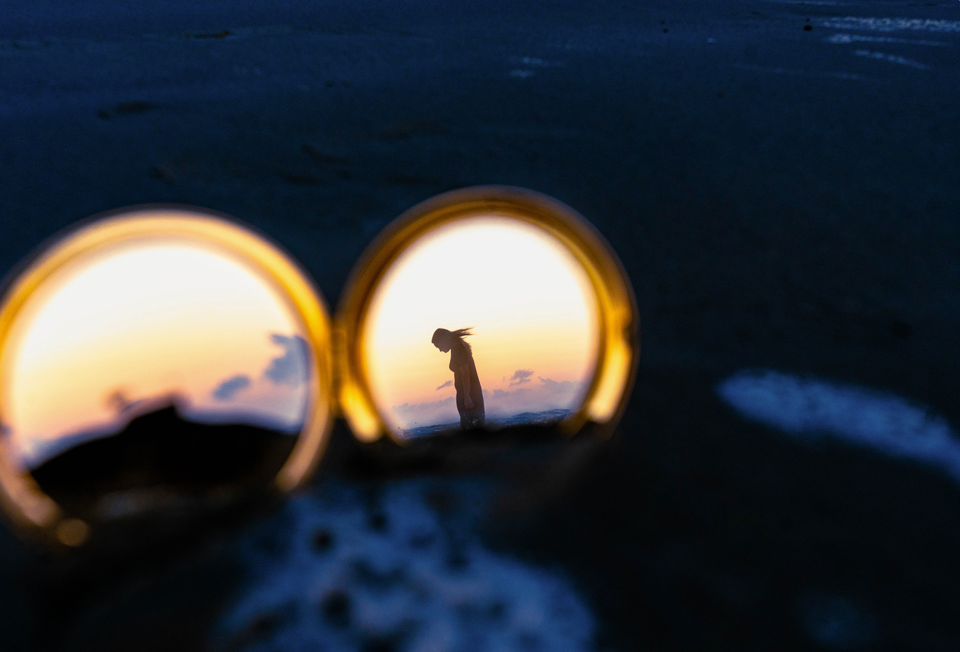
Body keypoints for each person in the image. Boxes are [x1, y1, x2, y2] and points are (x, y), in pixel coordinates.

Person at [432, 327, 485, 429]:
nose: (440, 350)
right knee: (476, 428)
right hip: (473, 393)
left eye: (438, 346)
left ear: (444, 341)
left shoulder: (458, 349)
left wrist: (467, 397)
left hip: (469, 395)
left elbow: (465, 372)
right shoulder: (459, 347)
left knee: (469, 429)